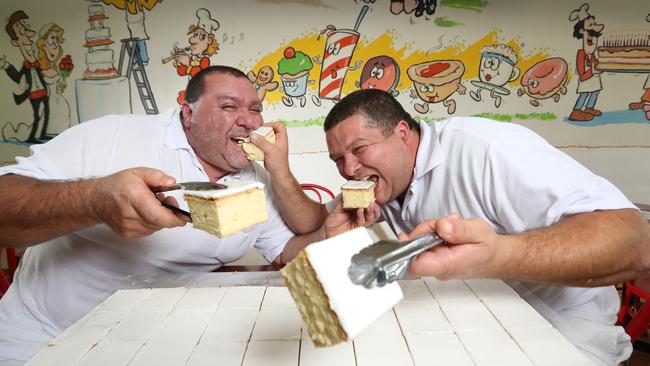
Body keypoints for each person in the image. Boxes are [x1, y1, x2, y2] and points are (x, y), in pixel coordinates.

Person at [0, 65, 328, 364]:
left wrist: (333, 230)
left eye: (255, 109)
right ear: (188, 113)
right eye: (229, 107)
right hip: (45, 338)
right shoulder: (113, 136)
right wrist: (95, 199)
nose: (249, 120)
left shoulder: (257, 179)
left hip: (162, 346)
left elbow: (286, 251)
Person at [323, 89, 650, 366]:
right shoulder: (384, 187)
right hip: (470, 323)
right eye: (338, 159)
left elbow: (635, 241)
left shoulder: (486, 150)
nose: (348, 169)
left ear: (403, 133)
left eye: (359, 149)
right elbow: (304, 248)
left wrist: (497, 256)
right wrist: (340, 239)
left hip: (561, 333)